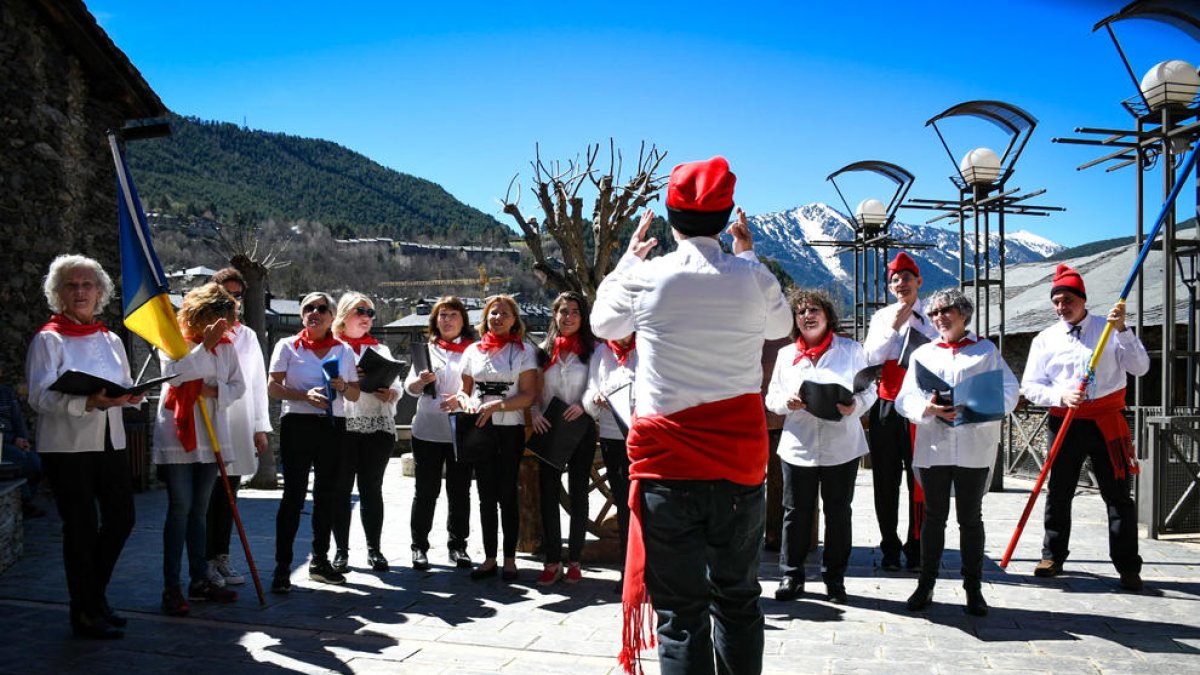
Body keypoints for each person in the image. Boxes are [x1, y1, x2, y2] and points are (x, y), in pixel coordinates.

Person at [591, 156, 792, 675]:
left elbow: (602, 322)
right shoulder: (754, 278)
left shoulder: (649, 278)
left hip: (669, 466)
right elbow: (780, 327)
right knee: (739, 598)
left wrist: (627, 263)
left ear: (670, 218)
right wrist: (748, 256)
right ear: (728, 219)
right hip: (739, 464)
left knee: (680, 612)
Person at [25, 254, 140, 638]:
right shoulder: (48, 339)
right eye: (71, 286)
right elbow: (39, 398)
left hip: (110, 441)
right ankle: (86, 613)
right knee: (81, 529)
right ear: (58, 294)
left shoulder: (111, 339)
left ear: (99, 292)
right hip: (66, 447)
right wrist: (86, 402)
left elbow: (120, 384)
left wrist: (130, 397)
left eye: (87, 285)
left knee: (122, 519)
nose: (80, 292)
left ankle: (93, 597)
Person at [1020, 264, 1149, 591]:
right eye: (1057, 302)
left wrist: (1123, 331)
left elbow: (1140, 367)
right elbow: (1031, 386)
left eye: (1068, 300)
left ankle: (1128, 566)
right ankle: (1052, 555)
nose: (1062, 307)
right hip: (1064, 421)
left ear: (1083, 299)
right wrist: (1060, 395)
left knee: (1118, 496)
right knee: (1059, 492)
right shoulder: (1045, 339)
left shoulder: (1110, 330)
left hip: (1106, 423)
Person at [896, 288, 1018, 616]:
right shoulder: (924, 354)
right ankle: (926, 584)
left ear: (963, 313)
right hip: (934, 444)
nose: (939, 318)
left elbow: (1010, 391)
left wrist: (978, 407)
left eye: (945, 311)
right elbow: (904, 398)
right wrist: (928, 407)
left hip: (973, 444)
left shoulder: (985, 350)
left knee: (970, 518)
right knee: (933, 518)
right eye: (934, 313)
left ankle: (973, 588)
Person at [765, 289, 875, 604]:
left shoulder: (852, 349)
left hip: (842, 445)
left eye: (814, 310)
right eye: (801, 312)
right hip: (799, 445)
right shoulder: (786, 355)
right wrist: (786, 402)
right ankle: (791, 575)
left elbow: (871, 389)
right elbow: (771, 397)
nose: (807, 316)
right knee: (795, 513)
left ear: (827, 316)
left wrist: (857, 405)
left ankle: (835, 578)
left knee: (839, 513)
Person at [154, 283, 244, 615]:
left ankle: (199, 579)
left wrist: (213, 390)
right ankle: (171, 586)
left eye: (226, 320)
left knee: (200, 509)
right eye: (215, 318)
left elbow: (239, 386)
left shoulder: (227, 348)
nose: (222, 326)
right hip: (179, 433)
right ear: (198, 315)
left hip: (212, 434)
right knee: (180, 507)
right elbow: (174, 377)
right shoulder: (173, 340)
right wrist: (203, 346)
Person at [267, 291, 360, 592]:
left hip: (333, 424)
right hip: (297, 423)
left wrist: (343, 385)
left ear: (332, 317)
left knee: (327, 494)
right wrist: (303, 396)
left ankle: (320, 560)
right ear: (301, 314)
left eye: (322, 308)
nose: (315, 313)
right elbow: (273, 387)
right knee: (293, 494)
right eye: (308, 308)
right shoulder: (287, 346)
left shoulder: (343, 349)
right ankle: (282, 567)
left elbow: (355, 394)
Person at [452, 294, 538, 582]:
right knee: (485, 494)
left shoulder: (523, 351)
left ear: (515, 320)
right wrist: (465, 401)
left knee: (507, 494)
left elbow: (528, 395)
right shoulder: (473, 351)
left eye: (504, 314)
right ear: (484, 318)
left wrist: (498, 405)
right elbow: (464, 390)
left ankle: (510, 559)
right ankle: (489, 558)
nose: (498, 318)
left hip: (509, 427)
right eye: (492, 314)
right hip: (479, 425)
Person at [863, 252, 939, 572]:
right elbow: (870, 358)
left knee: (918, 480)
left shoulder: (934, 317)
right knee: (885, 478)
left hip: (920, 407)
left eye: (906, 278)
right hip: (886, 404)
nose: (900, 283)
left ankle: (917, 545)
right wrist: (893, 327)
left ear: (919, 281)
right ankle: (889, 546)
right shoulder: (882, 317)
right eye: (895, 279)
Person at [204, 267, 271, 589]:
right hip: (206, 423)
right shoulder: (195, 332)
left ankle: (221, 556)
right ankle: (203, 561)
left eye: (238, 294)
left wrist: (260, 427)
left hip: (237, 422)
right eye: (225, 292)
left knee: (229, 495)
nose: (232, 299)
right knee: (206, 496)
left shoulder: (247, 336)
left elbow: (257, 384)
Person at [331, 292, 403, 573]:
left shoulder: (381, 349)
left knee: (372, 489)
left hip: (377, 424)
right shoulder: (333, 347)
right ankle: (341, 551)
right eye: (360, 311)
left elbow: (397, 384)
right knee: (341, 490)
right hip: (344, 424)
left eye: (371, 313)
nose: (366, 317)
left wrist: (392, 392)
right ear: (344, 314)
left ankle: (375, 550)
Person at [532, 291, 598, 586]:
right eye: (563, 311)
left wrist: (584, 405)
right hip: (548, 428)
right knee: (547, 493)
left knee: (579, 493)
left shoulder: (593, 350)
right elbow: (533, 389)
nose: (568, 317)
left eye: (574, 312)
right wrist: (534, 413)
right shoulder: (542, 351)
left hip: (581, 427)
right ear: (554, 315)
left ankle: (575, 559)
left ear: (582, 317)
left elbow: (599, 384)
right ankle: (552, 560)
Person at [405, 296, 476, 571]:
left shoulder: (474, 350)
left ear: (463, 320)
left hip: (461, 430)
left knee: (460, 492)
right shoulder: (426, 350)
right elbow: (410, 388)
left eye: (453, 315)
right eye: (442, 315)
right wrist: (420, 380)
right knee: (425, 491)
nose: (447, 320)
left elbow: (478, 388)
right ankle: (419, 547)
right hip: (427, 430)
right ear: (435, 321)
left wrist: (461, 399)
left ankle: (458, 546)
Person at [582, 331, 637, 593]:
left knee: (646, 504)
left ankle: (654, 568)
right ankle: (629, 569)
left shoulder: (646, 348)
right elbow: (593, 385)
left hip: (642, 433)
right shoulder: (602, 353)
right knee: (624, 504)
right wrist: (595, 398)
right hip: (611, 434)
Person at [0, 364, 43, 517]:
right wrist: (12, 440)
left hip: (13, 441)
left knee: (36, 462)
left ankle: (26, 501)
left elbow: (18, 419)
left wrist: (23, 439)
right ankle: (24, 502)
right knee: (20, 459)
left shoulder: (6, 392)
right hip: (4, 443)